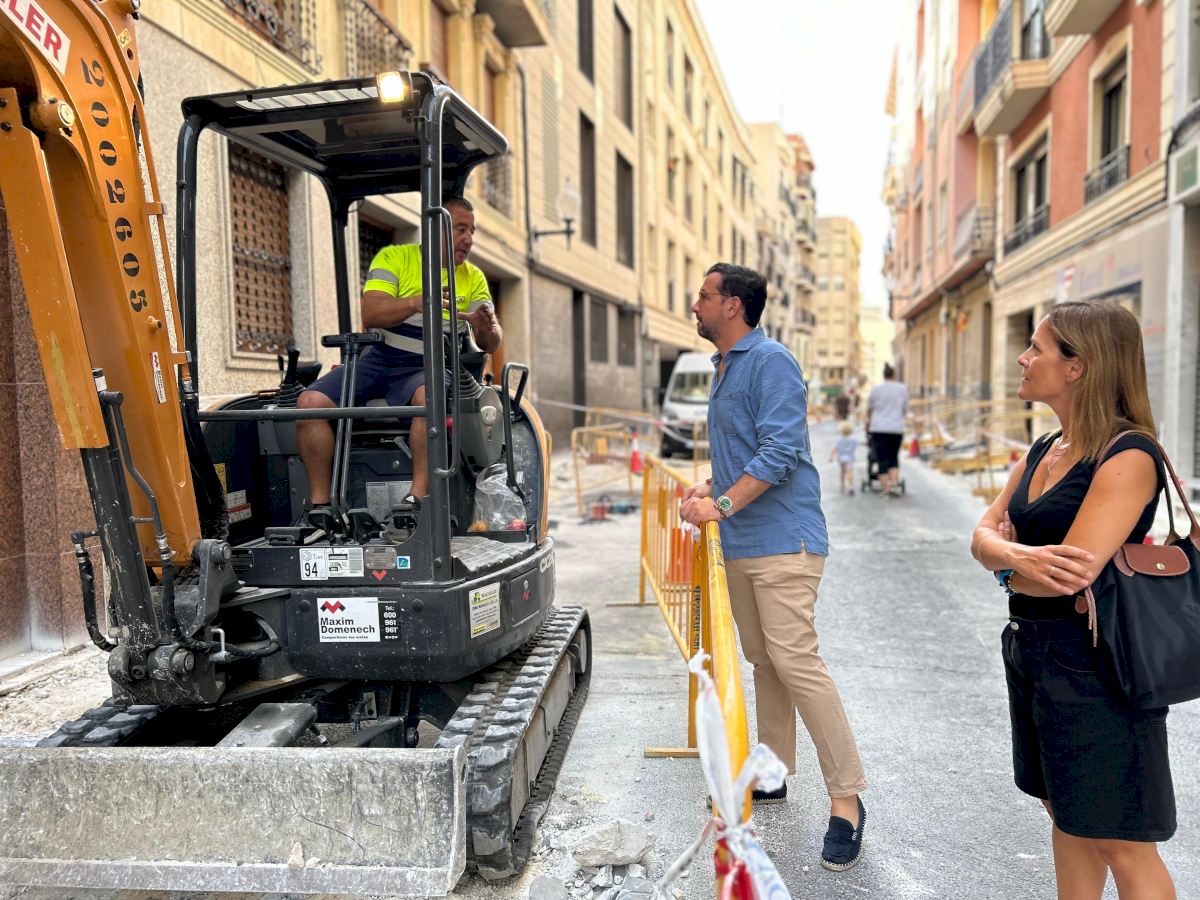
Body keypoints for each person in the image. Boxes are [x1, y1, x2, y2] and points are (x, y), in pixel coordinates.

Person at [970, 301, 1176, 899]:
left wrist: (1006, 563)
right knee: (1066, 815)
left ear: (1077, 366)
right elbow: (982, 534)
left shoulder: (1128, 454)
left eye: (1036, 348)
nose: (1022, 358)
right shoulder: (1044, 448)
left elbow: (1067, 575)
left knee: (1122, 841)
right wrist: (1013, 559)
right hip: (1034, 651)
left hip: (1097, 663)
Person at [679, 262, 868, 872]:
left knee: (796, 663)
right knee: (765, 661)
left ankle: (847, 800)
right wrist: (712, 486)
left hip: (785, 541)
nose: (695, 304)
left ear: (732, 305)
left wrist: (720, 505)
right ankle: (775, 769)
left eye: (704, 296)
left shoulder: (771, 361)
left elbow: (782, 450)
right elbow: (744, 452)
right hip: (742, 542)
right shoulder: (723, 367)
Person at [296, 197, 501, 519]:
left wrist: (487, 328)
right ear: (433, 229)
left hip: (431, 363)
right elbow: (371, 313)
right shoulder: (394, 258)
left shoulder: (472, 277)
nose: (469, 239)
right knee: (309, 402)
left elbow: (491, 341)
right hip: (381, 358)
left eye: (472, 231)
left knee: (427, 398)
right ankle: (322, 509)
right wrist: (416, 302)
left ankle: (415, 501)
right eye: (461, 229)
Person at [866, 363, 908, 497]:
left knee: (882, 459)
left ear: (883, 375)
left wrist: (867, 424)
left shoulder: (876, 389)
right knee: (893, 457)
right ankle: (894, 484)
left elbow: (870, 409)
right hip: (896, 428)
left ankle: (886, 490)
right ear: (894, 375)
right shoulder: (902, 389)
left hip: (878, 428)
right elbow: (905, 410)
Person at [828, 421, 858, 496]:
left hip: (841, 459)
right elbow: (856, 446)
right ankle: (850, 486)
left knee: (842, 471)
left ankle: (842, 484)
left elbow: (834, 449)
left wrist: (831, 457)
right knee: (849, 472)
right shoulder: (853, 440)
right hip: (849, 459)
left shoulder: (839, 440)